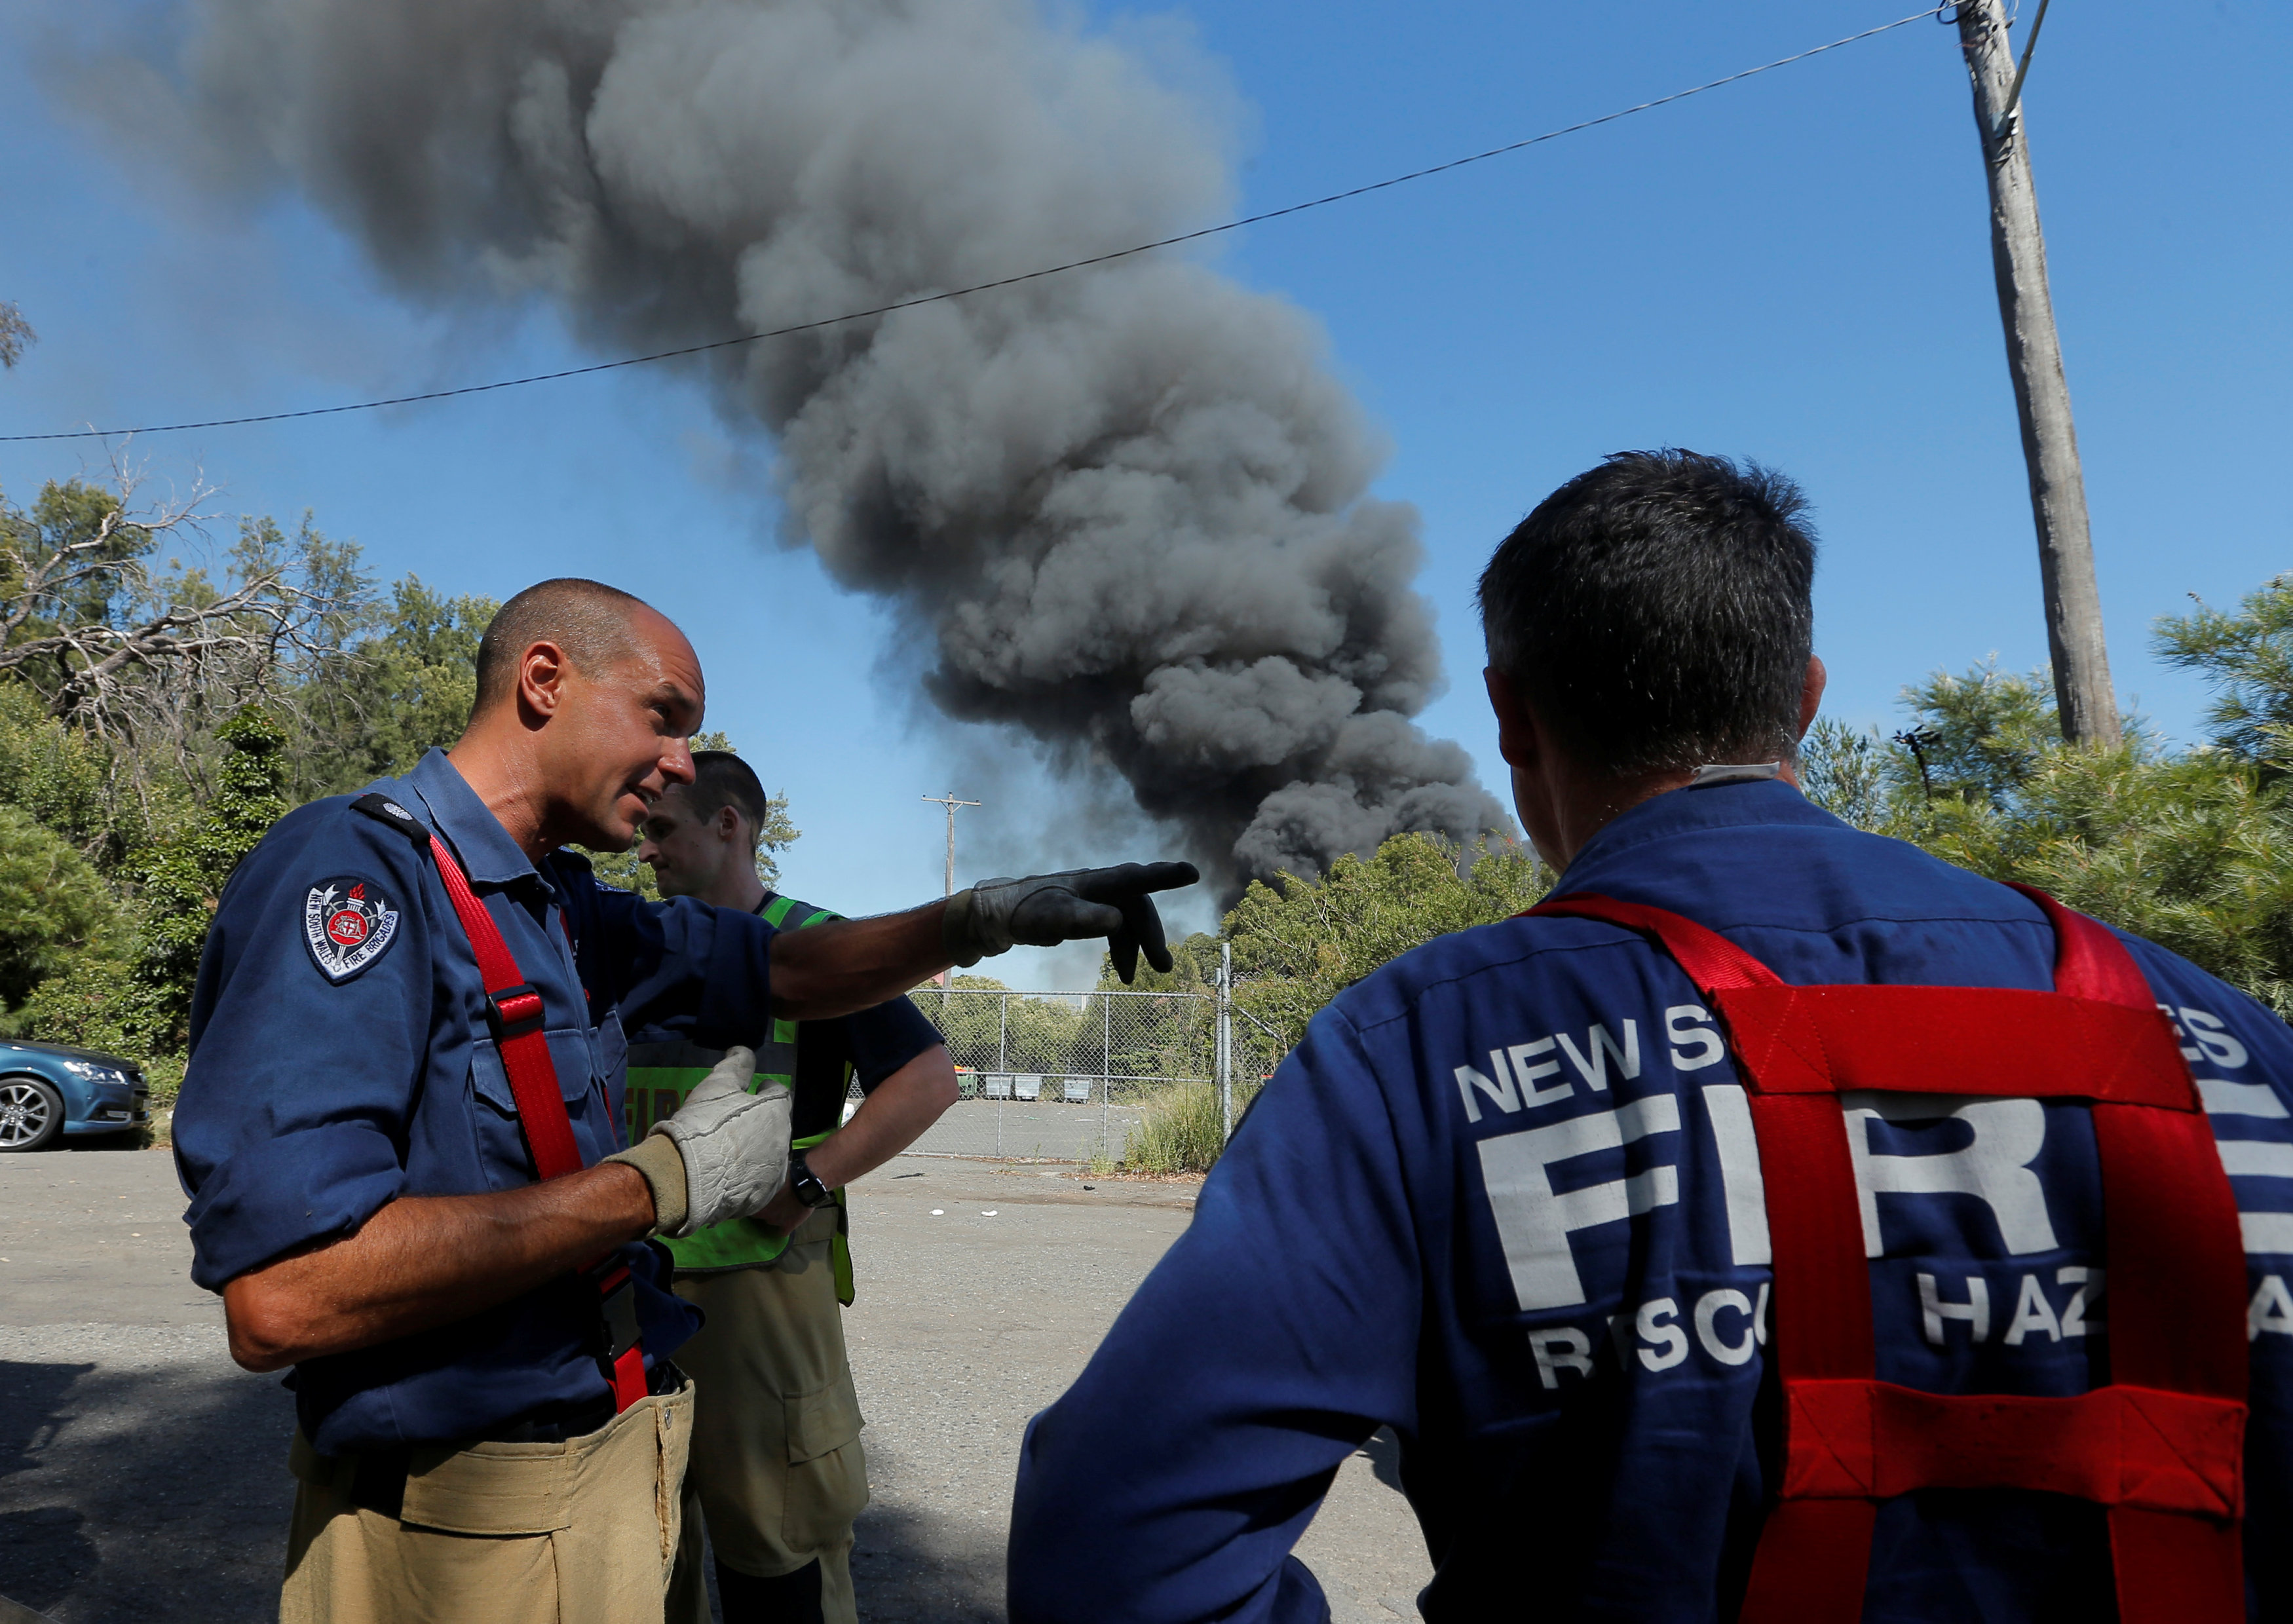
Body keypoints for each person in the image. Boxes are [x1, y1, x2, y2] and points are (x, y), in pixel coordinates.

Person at [1006, 451, 2293, 1623]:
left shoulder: (1421, 1051)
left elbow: (1117, 1552)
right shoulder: (2223, 1040)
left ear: (1510, 717)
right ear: (1804, 694)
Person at [174, 578, 1194, 1624]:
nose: (676, 767)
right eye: (664, 718)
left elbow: (785, 971)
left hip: (603, 1469)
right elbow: (287, 1295)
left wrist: (981, 919)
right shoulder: (358, 877)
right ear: (543, 680)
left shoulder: (558, 903)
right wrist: (658, 1182)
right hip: (458, 1532)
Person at [624, 749, 959, 1624]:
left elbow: (928, 1079)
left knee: (778, 1555)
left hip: (759, 1299)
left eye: (662, 829)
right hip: (631, 1291)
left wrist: (806, 1182)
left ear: (727, 825)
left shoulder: (816, 945)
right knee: (640, 1557)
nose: (645, 851)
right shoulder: (638, 949)